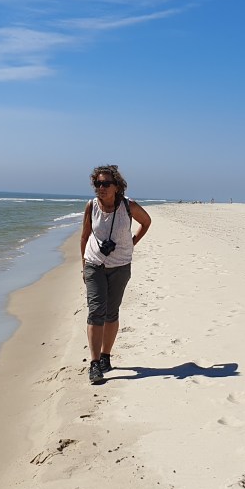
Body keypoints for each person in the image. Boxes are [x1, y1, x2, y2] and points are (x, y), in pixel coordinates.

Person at [80, 164, 151, 384]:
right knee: (96, 312)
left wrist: (132, 243)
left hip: (120, 266)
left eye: (105, 183)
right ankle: (94, 364)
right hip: (94, 265)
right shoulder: (91, 206)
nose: (100, 187)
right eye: (97, 183)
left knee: (111, 312)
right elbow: (84, 236)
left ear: (117, 186)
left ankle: (105, 357)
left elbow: (146, 222)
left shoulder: (128, 206)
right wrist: (83, 265)